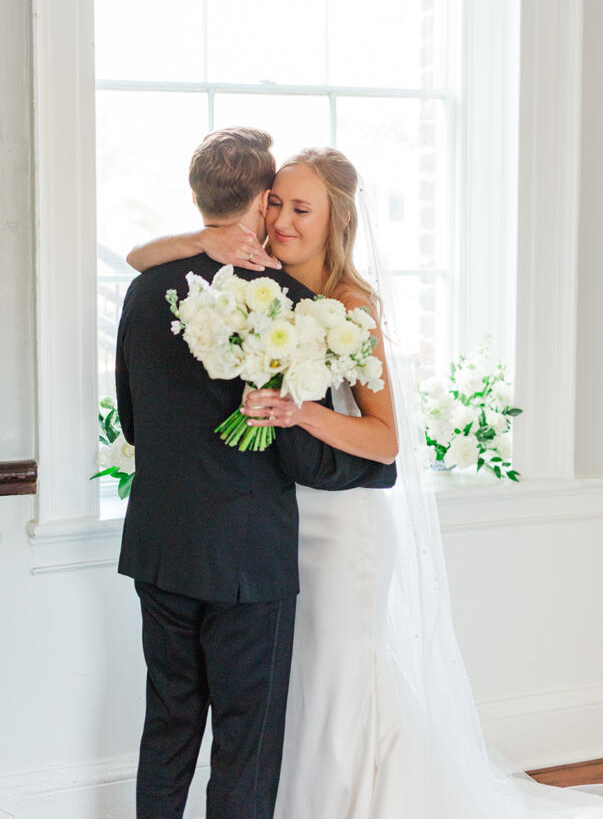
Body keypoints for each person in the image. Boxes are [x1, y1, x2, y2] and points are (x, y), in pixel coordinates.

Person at [128, 141, 603, 818]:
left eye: (300, 208)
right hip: (275, 526)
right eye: (273, 204)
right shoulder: (258, 288)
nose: (282, 220)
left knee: (332, 679)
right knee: (281, 697)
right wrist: (215, 242)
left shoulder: (348, 304)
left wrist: (301, 414)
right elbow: (143, 260)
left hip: (338, 523)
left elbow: (385, 441)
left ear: (335, 219)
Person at [115, 127, 397, 819]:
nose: (283, 222)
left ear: (196, 195)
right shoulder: (289, 305)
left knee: (169, 724)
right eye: (280, 205)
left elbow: (130, 421)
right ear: (263, 198)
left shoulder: (144, 291)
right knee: (246, 738)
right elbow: (298, 457)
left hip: (157, 544)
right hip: (249, 558)